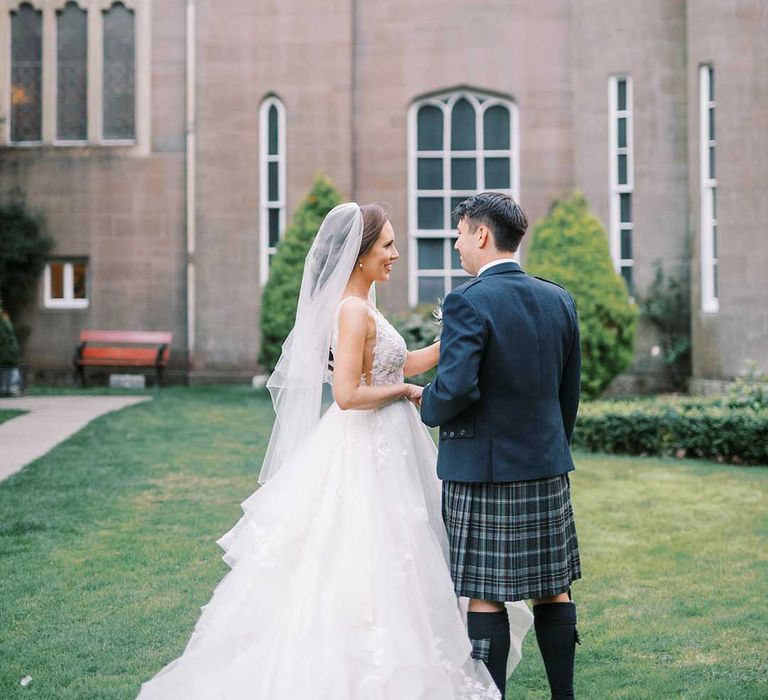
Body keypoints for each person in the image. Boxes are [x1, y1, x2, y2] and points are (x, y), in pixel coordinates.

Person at [136, 202, 531, 699]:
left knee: (408, 550)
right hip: (366, 446)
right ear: (360, 254)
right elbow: (348, 395)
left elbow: (399, 361)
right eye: (386, 245)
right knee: (372, 551)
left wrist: (452, 343)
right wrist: (406, 393)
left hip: (393, 442)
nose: (394, 254)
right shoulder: (350, 309)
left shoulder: (364, 305)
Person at [420, 192, 582, 700]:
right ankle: (564, 696)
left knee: (484, 593)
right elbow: (568, 393)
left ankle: (490, 696)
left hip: (483, 471)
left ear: (481, 234)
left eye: (460, 234)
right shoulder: (559, 298)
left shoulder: (468, 299)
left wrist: (425, 405)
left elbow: (457, 387)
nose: (456, 244)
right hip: (545, 464)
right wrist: (550, 445)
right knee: (553, 587)